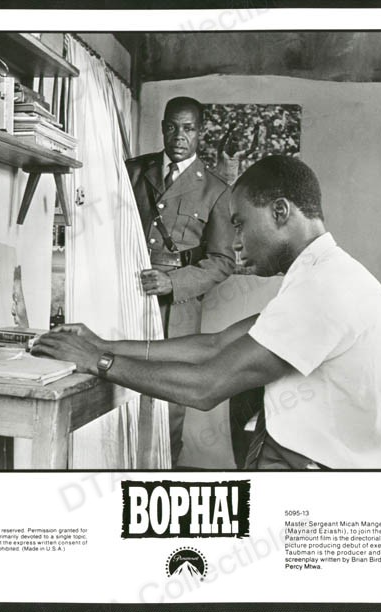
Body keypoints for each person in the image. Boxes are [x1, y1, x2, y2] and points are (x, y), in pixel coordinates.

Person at [33, 156, 381, 470]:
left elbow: (206, 386)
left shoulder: (325, 286)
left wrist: (98, 361)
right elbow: (215, 345)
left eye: (240, 225)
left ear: (280, 211)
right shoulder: (321, 273)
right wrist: (103, 344)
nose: (235, 243)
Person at [125, 96, 235, 466]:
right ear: (163, 128)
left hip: (178, 308)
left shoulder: (216, 190)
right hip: (129, 295)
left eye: (188, 128)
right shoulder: (134, 172)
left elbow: (222, 261)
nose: (178, 137)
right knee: (121, 385)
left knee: (169, 399)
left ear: (200, 132)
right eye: (172, 127)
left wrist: (173, 283)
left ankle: (164, 471)